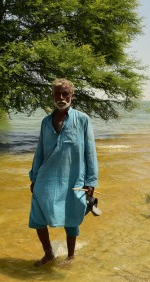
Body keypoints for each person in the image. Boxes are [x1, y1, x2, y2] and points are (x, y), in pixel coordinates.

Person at [28, 78, 99, 267]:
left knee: (72, 215)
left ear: (72, 96)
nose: (61, 97)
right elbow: (40, 151)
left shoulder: (82, 119)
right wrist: (34, 178)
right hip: (46, 178)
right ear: (52, 96)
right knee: (38, 215)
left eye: (65, 94)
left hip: (74, 178)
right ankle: (49, 253)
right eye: (57, 94)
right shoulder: (45, 122)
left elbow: (90, 151)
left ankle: (71, 256)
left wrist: (91, 182)